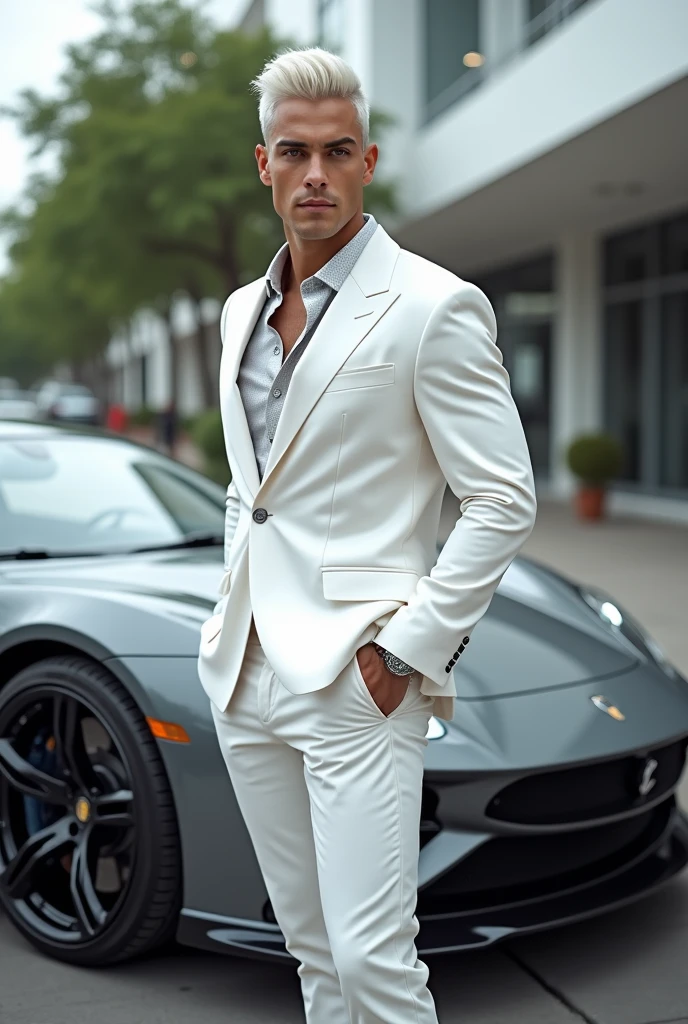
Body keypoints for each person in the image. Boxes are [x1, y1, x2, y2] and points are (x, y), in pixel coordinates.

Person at [197, 47, 536, 1024]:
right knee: (308, 952)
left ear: (368, 160)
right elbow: (247, 487)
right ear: (262, 165)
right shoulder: (236, 313)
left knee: (373, 961)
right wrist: (229, 609)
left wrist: (404, 652)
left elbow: (501, 499)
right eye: (293, 153)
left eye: (336, 151)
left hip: (356, 675)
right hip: (245, 670)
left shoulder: (433, 307)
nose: (315, 174)